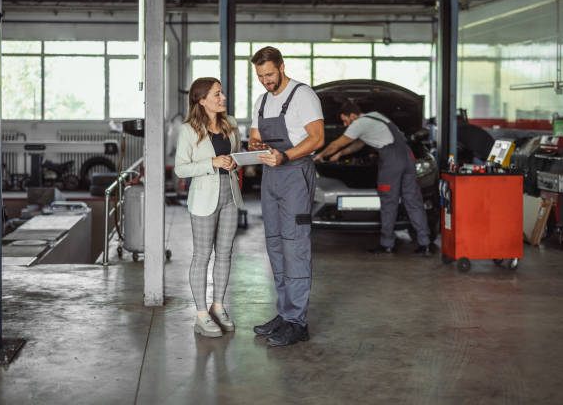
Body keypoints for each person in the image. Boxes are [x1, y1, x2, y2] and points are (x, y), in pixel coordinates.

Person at [248, 46, 324, 347]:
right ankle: (285, 312)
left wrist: (286, 156)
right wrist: (255, 147)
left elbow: (317, 138)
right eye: (260, 76)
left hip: (295, 174)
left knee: (295, 246)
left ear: (281, 67)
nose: (266, 81)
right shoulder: (262, 100)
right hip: (271, 175)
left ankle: (298, 322)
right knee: (276, 245)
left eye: (269, 74)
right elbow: (255, 136)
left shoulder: (303, 95)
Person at [313, 101, 431, 256]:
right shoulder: (375, 116)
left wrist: (320, 156)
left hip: (391, 160)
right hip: (408, 157)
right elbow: (360, 144)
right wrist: (341, 154)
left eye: (345, 120)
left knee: (389, 202)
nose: (344, 124)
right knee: (413, 200)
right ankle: (425, 244)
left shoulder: (359, 123)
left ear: (353, 115)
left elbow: (337, 143)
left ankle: (387, 245)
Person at [175, 77, 244, 338]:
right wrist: (213, 162)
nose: (222, 98)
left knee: (225, 254)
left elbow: (235, 157)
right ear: (201, 100)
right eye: (216, 94)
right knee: (202, 256)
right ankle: (201, 314)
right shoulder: (189, 130)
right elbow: (182, 168)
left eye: (222, 93)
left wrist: (234, 163)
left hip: (230, 196)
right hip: (204, 198)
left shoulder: (232, 124)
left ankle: (218, 306)